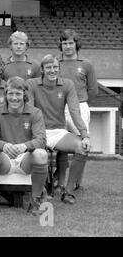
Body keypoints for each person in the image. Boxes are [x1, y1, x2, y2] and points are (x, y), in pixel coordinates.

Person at [27, 54, 91, 205]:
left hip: (58, 132)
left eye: (55, 67)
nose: (52, 70)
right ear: (42, 69)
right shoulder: (31, 84)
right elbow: (29, 110)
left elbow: (75, 112)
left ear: (59, 69)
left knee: (82, 147)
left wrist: (85, 134)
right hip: (37, 131)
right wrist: (37, 133)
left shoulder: (68, 84)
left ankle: (67, 191)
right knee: (38, 155)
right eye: (48, 67)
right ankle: (40, 189)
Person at [0, 76, 48, 215]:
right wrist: (4, 145)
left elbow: (42, 140)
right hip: (4, 161)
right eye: (11, 94)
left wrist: (24, 146)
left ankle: (35, 201)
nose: (14, 98)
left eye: (18, 94)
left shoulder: (35, 112)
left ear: (24, 95)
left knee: (41, 154)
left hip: (25, 160)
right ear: (5, 94)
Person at [58, 29, 98, 189]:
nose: (68, 46)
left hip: (80, 107)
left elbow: (93, 89)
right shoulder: (55, 63)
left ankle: (76, 182)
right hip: (59, 107)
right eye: (65, 43)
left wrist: (82, 103)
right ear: (61, 45)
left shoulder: (86, 64)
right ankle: (60, 182)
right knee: (61, 146)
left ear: (76, 44)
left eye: (71, 43)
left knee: (82, 144)